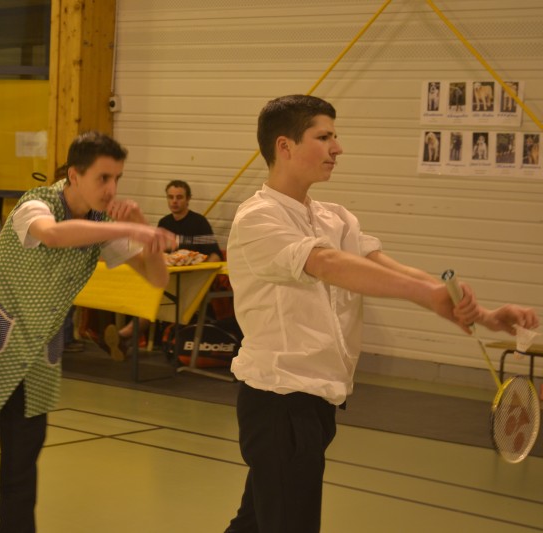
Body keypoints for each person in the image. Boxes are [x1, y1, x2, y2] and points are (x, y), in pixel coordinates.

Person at [224, 94, 539, 533]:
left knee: (255, 523)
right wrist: (428, 294)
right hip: (279, 402)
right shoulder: (258, 218)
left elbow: (385, 267)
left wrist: (483, 315)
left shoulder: (334, 218)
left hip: (317, 403)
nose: (337, 148)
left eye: (335, 137)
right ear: (285, 146)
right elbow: (326, 263)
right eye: (324, 137)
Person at [0, 131, 175, 533]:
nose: (112, 189)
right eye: (103, 178)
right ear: (74, 175)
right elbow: (53, 235)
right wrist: (124, 231)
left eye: (117, 178)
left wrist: (139, 227)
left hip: (34, 357)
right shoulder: (36, 204)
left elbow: (157, 279)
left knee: (21, 472)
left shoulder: (103, 223)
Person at [104, 180, 224, 357]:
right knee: (148, 291)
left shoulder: (199, 222)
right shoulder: (164, 222)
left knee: (156, 295)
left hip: (192, 280)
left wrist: (205, 275)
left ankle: (125, 336)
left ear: (188, 199)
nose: (174, 201)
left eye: (179, 197)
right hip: (169, 278)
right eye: (171, 197)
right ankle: (125, 339)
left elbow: (215, 254)